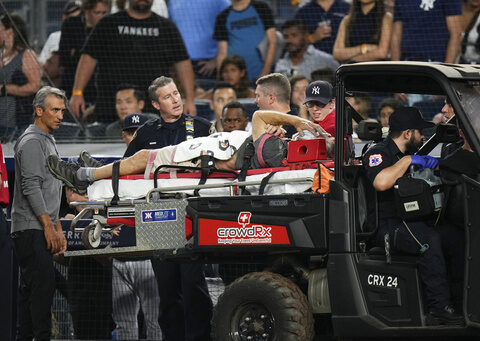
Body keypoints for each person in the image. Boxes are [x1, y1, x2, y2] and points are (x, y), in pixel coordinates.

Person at [46, 110, 327, 194]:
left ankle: (85, 175)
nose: (295, 136)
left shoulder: (278, 151)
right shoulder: (280, 149)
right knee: (142, 158)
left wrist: (298, 122)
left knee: (145, 158)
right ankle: (101, 172)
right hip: (213, 149)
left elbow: (258, 117)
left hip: (206, 156)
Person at [362, 106, 464, 325]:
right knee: (429, 240)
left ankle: (461, 300)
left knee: (455, 238)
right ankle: (439, 308)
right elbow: (381, 183)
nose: (423, 137)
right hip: (388, 225)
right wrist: (407, 162)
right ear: (408, 133)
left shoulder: (409, 153)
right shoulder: (378, 152)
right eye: (420, 132)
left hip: (412, 220)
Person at [69, 0, 197, 123]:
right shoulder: (108, 23)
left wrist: (190, 100)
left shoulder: (166, 27)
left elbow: (183, 63)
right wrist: (77, 92)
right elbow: (88, 58)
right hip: (110, 106)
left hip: (156, 107)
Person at [10, 86, 68, 341]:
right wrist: (48, 227)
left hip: (38, 227)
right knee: (41, 292)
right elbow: (31, 186)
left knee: (33, 291)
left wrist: (55, 227)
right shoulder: (33, 141)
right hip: (30, 229)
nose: (60, 116)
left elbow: (50, 190)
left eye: (62, 111)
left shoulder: (47, 139)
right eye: (55, 110)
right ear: (39, 110)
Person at [124, 76, 214, 157]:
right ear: (156, 105)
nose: (175, 100)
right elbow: (126, 164)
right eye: (167, 97)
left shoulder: (203, 127)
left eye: (176, 93)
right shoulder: (144, 132)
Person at [58, 0, 109, 104]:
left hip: (99, 88)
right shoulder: (72, 24)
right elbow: (64, 57)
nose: (101, 16)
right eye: (97, 12)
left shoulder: (108, 26)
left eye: (104, 13)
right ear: (87, 11)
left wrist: (76, 52)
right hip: (72, 84)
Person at [214, 0, 277, 81]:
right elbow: (222, 53)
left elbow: (273, 41)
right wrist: (221, 80)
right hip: (235, 79)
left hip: (262, 75)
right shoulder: (222, 17)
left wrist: (266, 71)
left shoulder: (262, 8)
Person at [168, 0, 231, 78]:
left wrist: (216, 61)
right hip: (179, 64)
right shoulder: (173, 2)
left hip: (208, 66)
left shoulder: (221, 1)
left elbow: (232, 31)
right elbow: (169, 33)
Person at [0, 14, 41, 129]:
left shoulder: (27, 55)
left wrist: (4, 89)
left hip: (14, 124)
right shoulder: (2, 55)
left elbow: (35, 86)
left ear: (10, 31)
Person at [391, 0, 462, 63]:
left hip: (436, 64)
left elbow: (456, 34)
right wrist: (396, 66)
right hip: (407, 63)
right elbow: (396, 35)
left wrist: (447, 68)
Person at [275, 19, 339, 78]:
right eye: (286, 37)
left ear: (306, 36)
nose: (289, 40)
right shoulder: (280, 64)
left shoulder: (325, 60)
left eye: (294, 35)